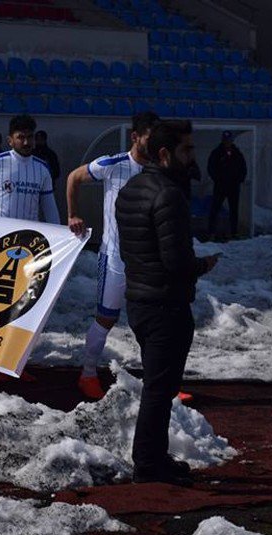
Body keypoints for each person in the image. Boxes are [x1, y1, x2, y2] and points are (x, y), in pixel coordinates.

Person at [116, 119, 219, 486]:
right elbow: (175, 262)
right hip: (164, 305)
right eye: (186, 150)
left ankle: (154, 457)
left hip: (140, 300)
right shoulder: (168, 194)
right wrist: (203, 265)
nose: (193, 157)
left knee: (157, 388)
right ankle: (147, 464)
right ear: (164, 154)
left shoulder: (130, 189)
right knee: (159, 390)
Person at [65, 111, 161, 399]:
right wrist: (72, 215)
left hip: (148, 262)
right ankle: (88, 374)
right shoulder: (113, 164)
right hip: (116, 258)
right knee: (106, 318)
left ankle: (160, 386)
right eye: (150, 138)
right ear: (135, 137)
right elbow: (73, 177)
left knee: (154, 323)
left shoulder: (159, 170)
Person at [206, 130, 247, 241]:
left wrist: (239, 179)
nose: (227, 143)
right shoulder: (217, 153)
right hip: (220, 186)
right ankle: (211, 233)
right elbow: (211, 167)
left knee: (234, 210)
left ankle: (234, 233)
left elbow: (243, 168)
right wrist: (218, 179)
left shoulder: (237, 153)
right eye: (225, 141)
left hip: (233, 186)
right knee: (215, 209)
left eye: (229, 141)